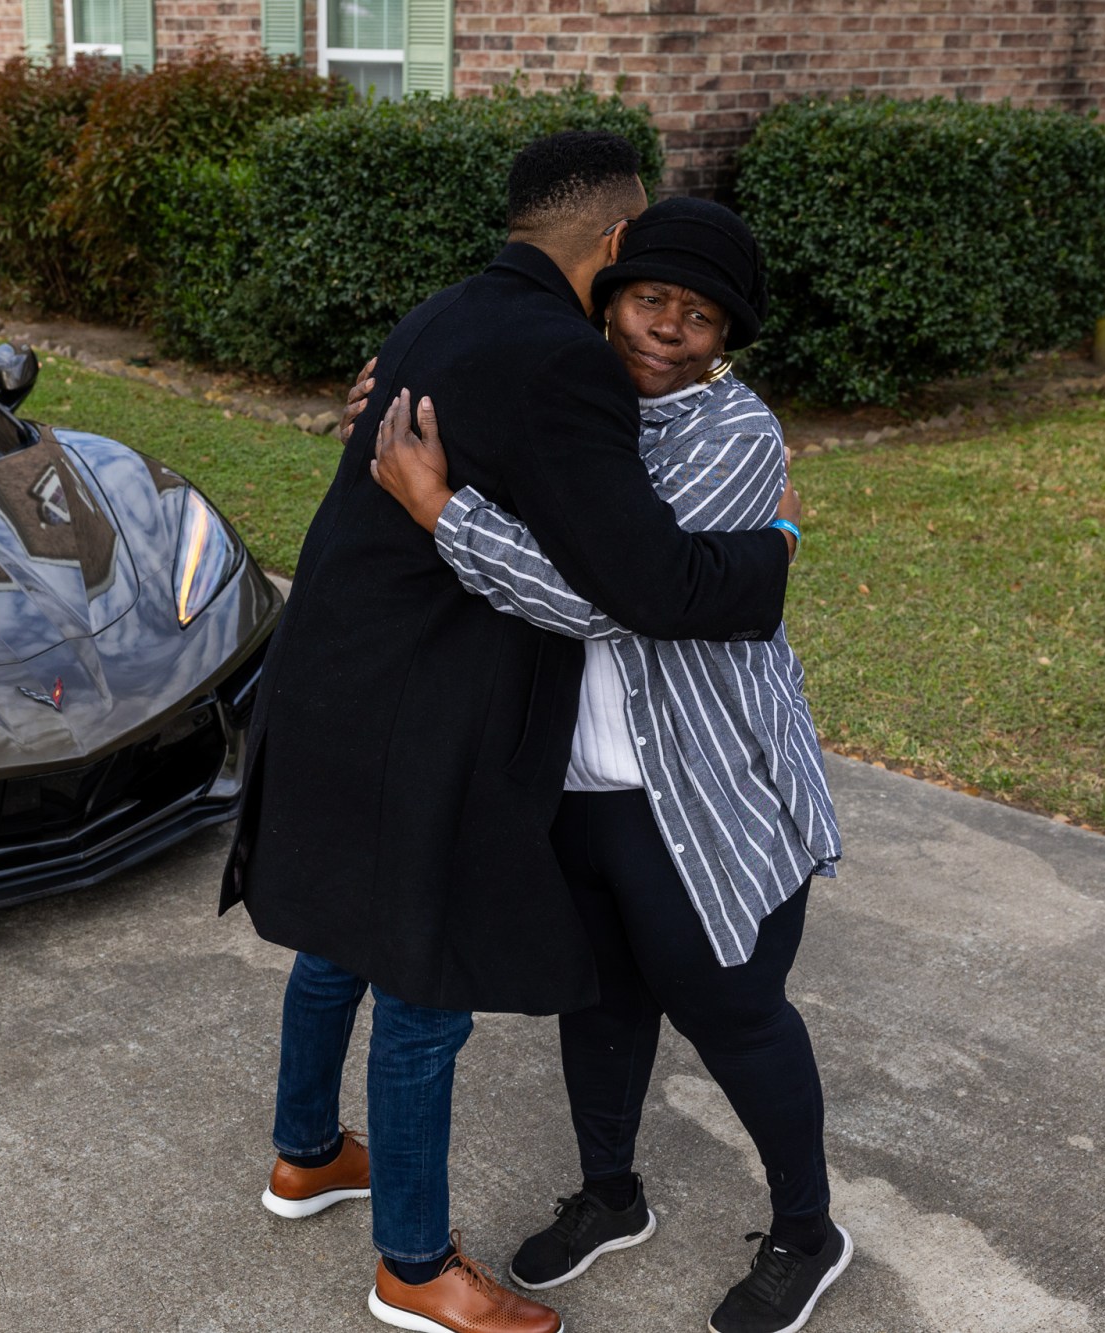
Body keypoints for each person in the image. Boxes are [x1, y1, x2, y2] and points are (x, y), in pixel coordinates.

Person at [220, 133, 798, 1333]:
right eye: (637, 261)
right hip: (420, 708)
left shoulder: (444, 315)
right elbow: (637, 587)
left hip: (323, 676)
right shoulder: (558, 362)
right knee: (425, 982)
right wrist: (770, 554)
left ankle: (305, 1153)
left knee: (339, 940)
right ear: (607, 243)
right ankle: (416, 1268)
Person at [365, 196, 848, 1333]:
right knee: (601, 1000)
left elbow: (612, 598)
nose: (667, 330)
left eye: (699, 317)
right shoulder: (566, 395)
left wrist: (446, 515)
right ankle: (609, 1191)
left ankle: (805, 1230)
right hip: (574, 783)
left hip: (701, 789)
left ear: (726, 339)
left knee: (733, 1012)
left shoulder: (736, 439)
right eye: (649, 299)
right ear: (607, 297)